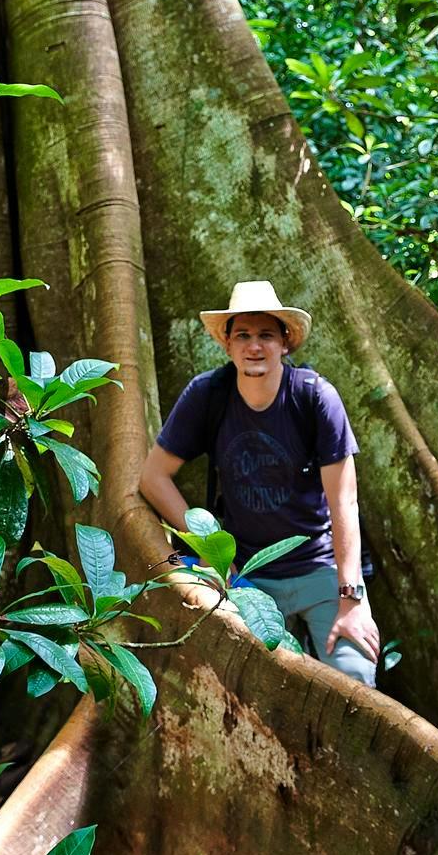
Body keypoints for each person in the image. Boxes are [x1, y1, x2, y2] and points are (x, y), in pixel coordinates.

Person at [139, 279, 380, 686]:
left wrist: (351, 599)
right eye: (243, 335)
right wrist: (213, 551)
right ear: (227, 344)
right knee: (248, 684)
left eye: (266, 335)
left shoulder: (314, 398)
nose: (254, 346)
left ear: (284, 343)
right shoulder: (208, 395)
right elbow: (152, 477)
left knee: (354, 680)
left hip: (320, 569)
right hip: (248, 574)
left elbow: (344, 504)